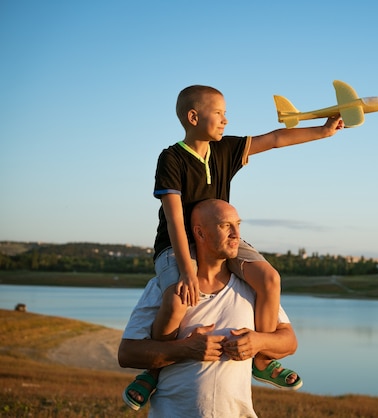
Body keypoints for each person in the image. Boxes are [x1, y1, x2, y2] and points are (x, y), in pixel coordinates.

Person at [123, 84, 343, 410]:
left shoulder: (224, 149)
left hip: (220, 238)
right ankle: (154, 369)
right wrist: (186, 270)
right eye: (219, 114)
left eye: (227, 114)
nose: (226, 120)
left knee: (269, 279)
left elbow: (275, 138)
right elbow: (172, 218)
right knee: (176, 297)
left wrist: (323, 132)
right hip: (177, 244)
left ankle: (262, 360)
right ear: (193, 116)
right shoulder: (171, 158)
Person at [119, 199, 299, 417]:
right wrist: (186, 349)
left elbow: (289, 342)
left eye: (238, 225)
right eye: (225, 226)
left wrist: (258, 342)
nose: (236, 234)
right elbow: (127, 354)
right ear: (200, 233)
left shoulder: (251, 286)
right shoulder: (165, 288)